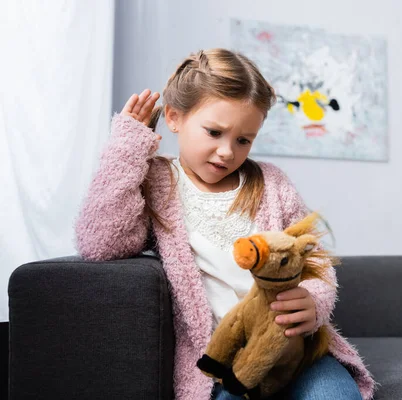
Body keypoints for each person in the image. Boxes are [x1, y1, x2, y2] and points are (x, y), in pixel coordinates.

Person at [75, 49, 374, 399]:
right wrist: (127, 146)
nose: (227, 152)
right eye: (214, 132)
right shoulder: (157, 180)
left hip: (296, 352)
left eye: (243, 140)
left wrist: (313, 301)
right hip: (224, 363)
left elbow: (315, 259)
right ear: (174, 117)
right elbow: (102, 243)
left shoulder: (271, 183)